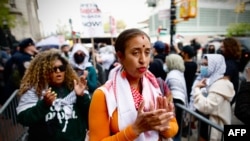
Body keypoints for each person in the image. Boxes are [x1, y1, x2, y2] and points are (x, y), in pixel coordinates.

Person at [88, 28, 178, 140]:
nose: (143, 60)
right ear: (120, 56)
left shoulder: (159, 86)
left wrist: (164, 127)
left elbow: (174, 126)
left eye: (147, 52)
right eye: (135, 53)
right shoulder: (104, 95)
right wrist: (135, 130)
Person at [16, 49, 90, 141]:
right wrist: (44, 105)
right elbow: (24, 118)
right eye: (53, 69)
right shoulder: (34, 91)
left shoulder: (75, 87)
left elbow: (90, 114)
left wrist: (82, 97)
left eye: (61, 68)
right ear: (43, 71)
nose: (58, 71)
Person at [192, 54, 235, 141]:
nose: (203, 67)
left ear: (215, 66)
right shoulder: (211, 82)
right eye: (202, 64)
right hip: (207, 126)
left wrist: (196, 89)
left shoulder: (220, 85)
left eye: (206, 65)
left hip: (213, 130)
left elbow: (206, 107)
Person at [1, 38, 38, 105]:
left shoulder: (17, 56)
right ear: (28, 47)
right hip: (17, 93)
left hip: (10, 92)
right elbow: (28, 75)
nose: (35, 47)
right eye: (33, 45)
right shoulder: (25, 58)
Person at [165, 54, 188, 141]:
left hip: (176, 104)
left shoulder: (172, 74)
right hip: (180, 104)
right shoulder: (179, 73)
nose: (166, 64)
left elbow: (175, 93)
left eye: (167, 62)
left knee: (175, 129)